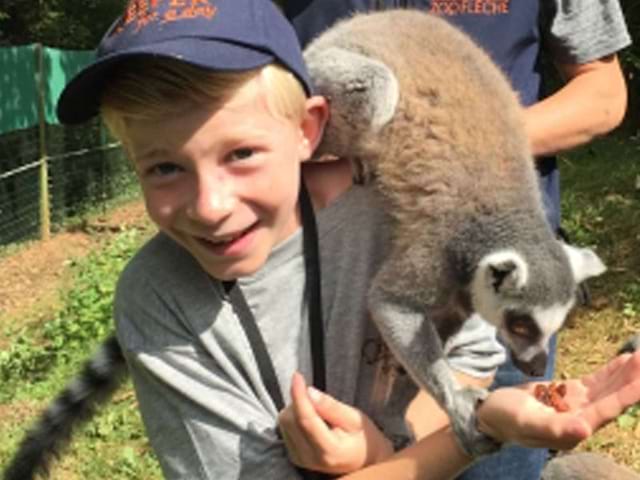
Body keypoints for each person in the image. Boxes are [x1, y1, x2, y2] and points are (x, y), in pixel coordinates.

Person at [53, 0, 640, 479]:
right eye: (163, 168)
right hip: (358, 127)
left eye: (239, 155)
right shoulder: (164, 295)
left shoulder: (428, 225)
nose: (211, 204)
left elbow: (604, 90)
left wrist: (400, 449)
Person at [282, 1, 631, 478]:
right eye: (527, 336)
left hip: (470, 263)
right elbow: (393, 301)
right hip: (318, 271)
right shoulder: (454, 235)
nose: (533, 359)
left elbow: (605, 92)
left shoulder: (494, 235)